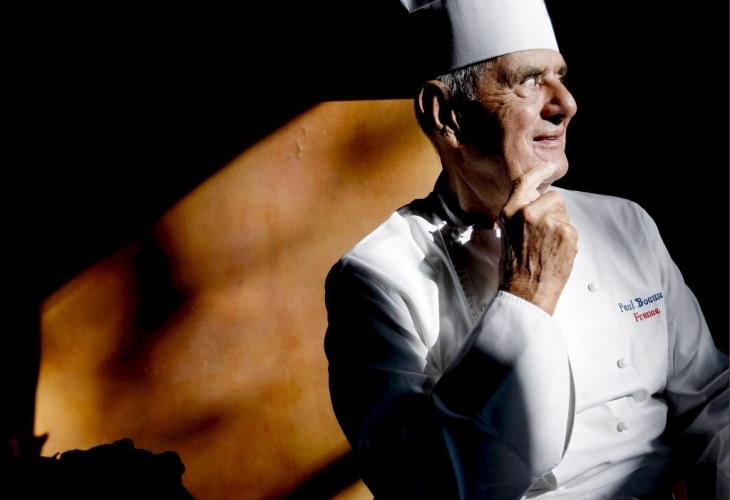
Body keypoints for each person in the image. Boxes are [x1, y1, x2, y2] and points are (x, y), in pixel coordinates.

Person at [323, 1, 729, 498]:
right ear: (445, 113)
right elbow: (428, 486)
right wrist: (525, 294)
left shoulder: (627, 223)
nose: (566, 104)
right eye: (529, 81)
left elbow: (711, 399)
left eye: (560, 77)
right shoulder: (374, 280)